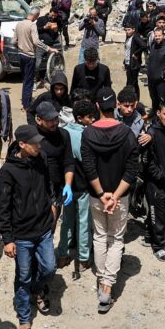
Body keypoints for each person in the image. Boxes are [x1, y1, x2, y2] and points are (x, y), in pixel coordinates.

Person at [0, 124, 58, 329]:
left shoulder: (41, 159)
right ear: (22, 144)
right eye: (35, 143)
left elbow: (48, 184)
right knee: (23, 277)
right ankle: (24, 318)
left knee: (49, 268)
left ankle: (38, 289)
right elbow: (2, 206)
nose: (39, 146)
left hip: (43, 229)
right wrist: (7, 239)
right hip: (22, 235)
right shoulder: (8, 171)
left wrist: (53, 205)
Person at [81, 87, 140, 313]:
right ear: (115, 105)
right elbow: (132, 170)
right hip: (119, 197)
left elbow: (88, 167)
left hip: (97, 197)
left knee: (99, 236)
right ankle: (107, 287)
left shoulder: (88, 133)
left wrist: (102, 194)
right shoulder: (127, 134)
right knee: (116, 239)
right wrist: (114, 196)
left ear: (97, 106)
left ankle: (101, 279)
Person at [57, 98, 96, 270]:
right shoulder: (84, 135)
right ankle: (83, 259)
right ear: (80, 118)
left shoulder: (63, 131)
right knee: (83, 223)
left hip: (67, 186)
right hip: (82, 186)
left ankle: (63, 255)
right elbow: (87, 161)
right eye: (89, 117)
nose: (92, 120)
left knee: (66, 221)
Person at [142, 102, 165, 261]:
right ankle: (158, 247)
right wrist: (160, 176)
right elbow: (146, 161)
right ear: (158, 113)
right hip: (156, 184)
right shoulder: (152, 133)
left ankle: (149, 236)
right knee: (158, 215)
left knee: (157, 212)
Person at [34, 101, 76, 216]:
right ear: (39, 120)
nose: (55, 122)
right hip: (36, 189)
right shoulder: (31, 136)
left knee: (52, 220)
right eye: (50, 120)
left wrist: (68, 185)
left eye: (56, 119)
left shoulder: (63, 135)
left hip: (57, 188)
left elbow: (69, 163)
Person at [14, 7, 57, 110]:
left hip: (21, 55)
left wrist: (20, 47)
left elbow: (13, 41)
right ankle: (26, 105)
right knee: (28, 81)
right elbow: (36, 41)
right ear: (36, 15)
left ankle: (25, 101)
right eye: (37, 16)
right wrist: (48, 49)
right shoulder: (32, 25)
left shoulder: (19, 24)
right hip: (29, 56)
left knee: (25, 79)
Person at [147, 27, 165, 110]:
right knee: (153, 98)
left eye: (159, 36)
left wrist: (163, 75)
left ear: (163, 35)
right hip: (151, 79)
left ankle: (162, 115)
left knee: (162, 100)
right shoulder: (153, 45)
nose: (157, 37)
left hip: (161, 81)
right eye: (156, 36)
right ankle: (154, 113)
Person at [123, 22, 146, 94]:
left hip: (134, 64)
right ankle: (136, 98)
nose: (127, 32)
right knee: (134, 83)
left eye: (129, 30)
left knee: (130, 84)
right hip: (128, 63)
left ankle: (130, 97)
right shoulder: (128, 37)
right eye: (126, 30)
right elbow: (127, 51)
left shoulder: (135, 37)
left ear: (133, 30)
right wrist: (124, 62)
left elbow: (144, 46)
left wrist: (136, 53)